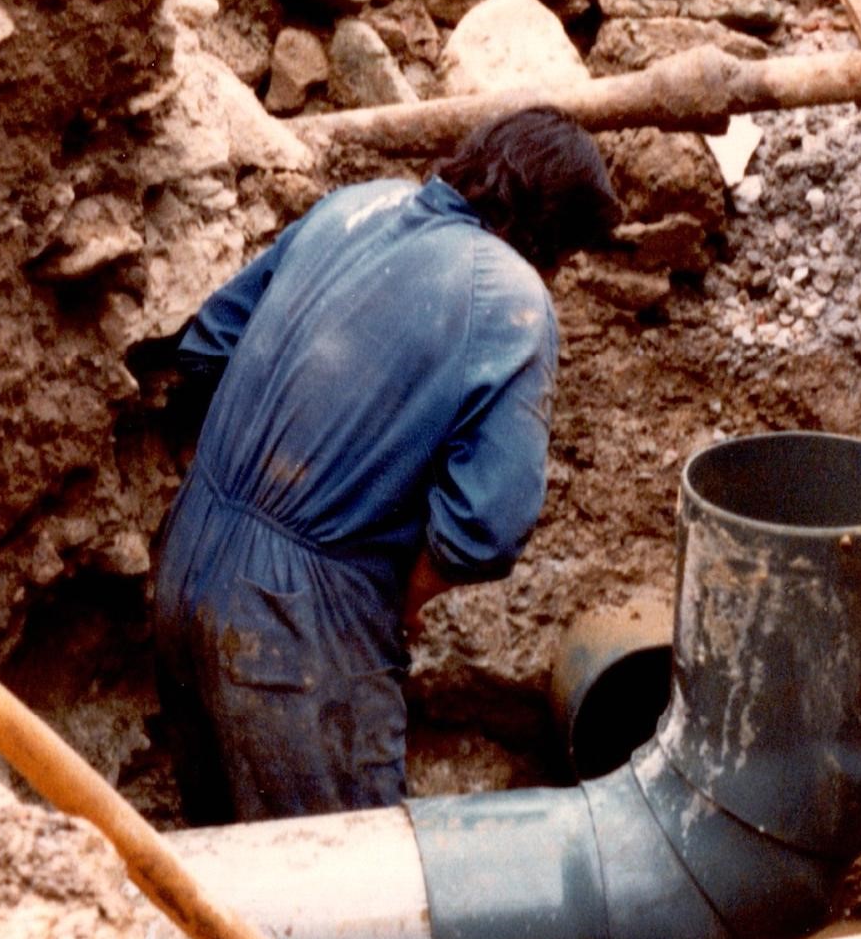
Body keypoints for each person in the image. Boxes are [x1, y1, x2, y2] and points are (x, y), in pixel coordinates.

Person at [150, 107, 622, 825]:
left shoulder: (353, 204)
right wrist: (399, 599)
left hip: (185, 563)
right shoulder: (506, 294)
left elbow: (207, 344)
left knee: (224, 874)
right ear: (551, 236)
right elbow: (486, 527)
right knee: (345, 892)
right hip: (294, 624)